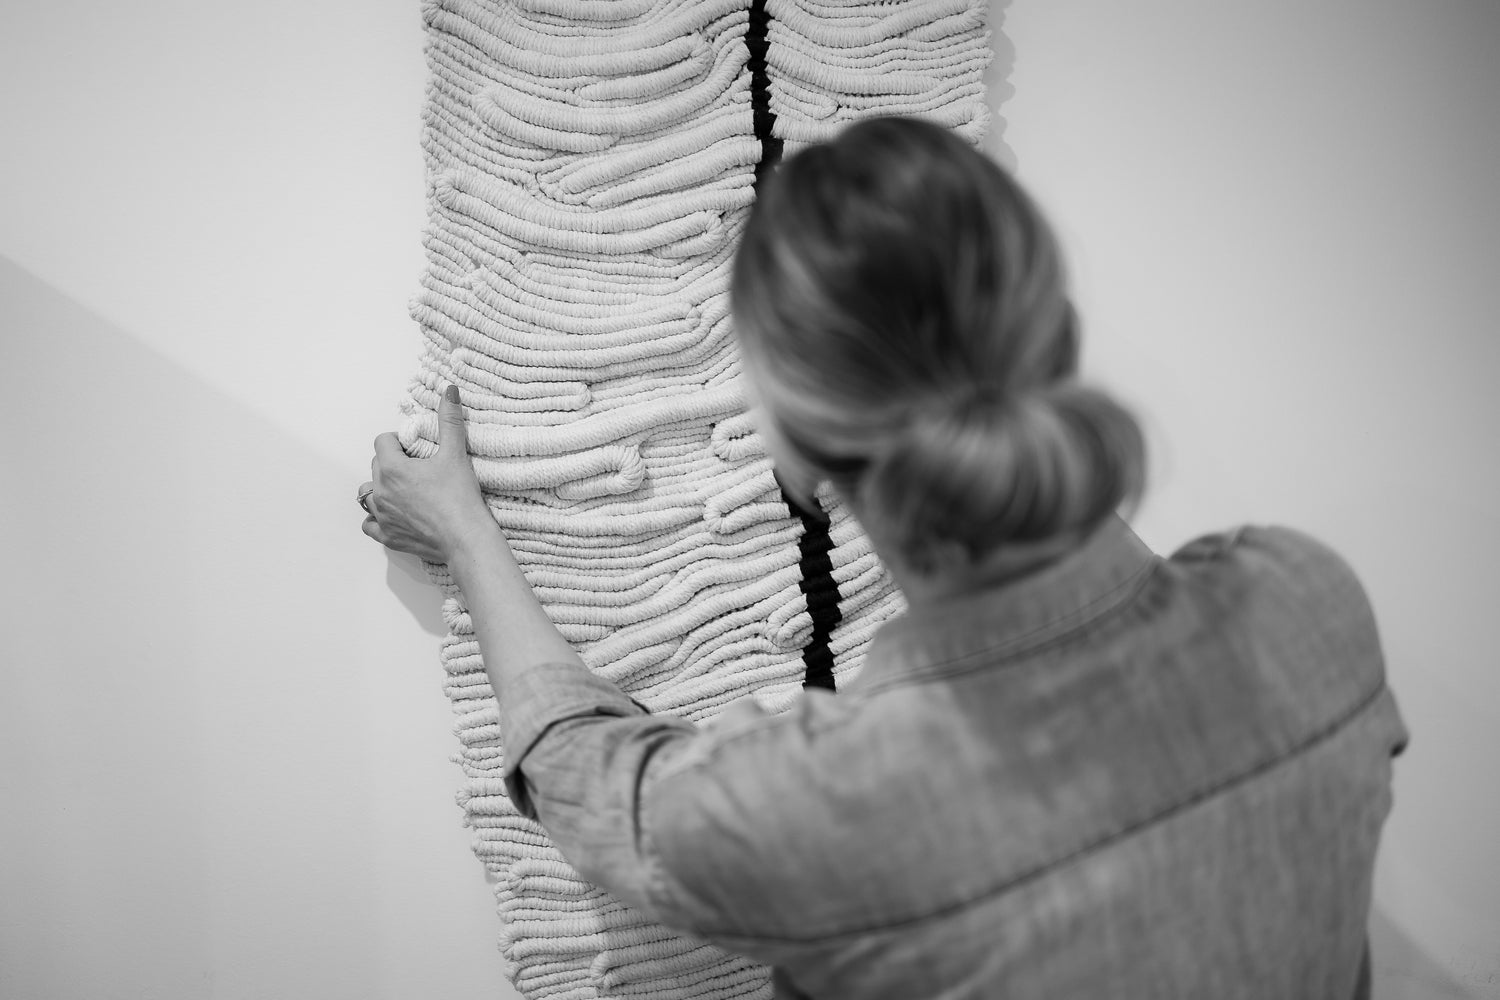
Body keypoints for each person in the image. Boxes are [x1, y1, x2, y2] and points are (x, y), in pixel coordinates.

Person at [360, 116, 1406, 999]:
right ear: (1057, 333)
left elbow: (579, 772)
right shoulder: (1305, 603)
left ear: (792, 441)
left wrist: (462, 528)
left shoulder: (828, 805)